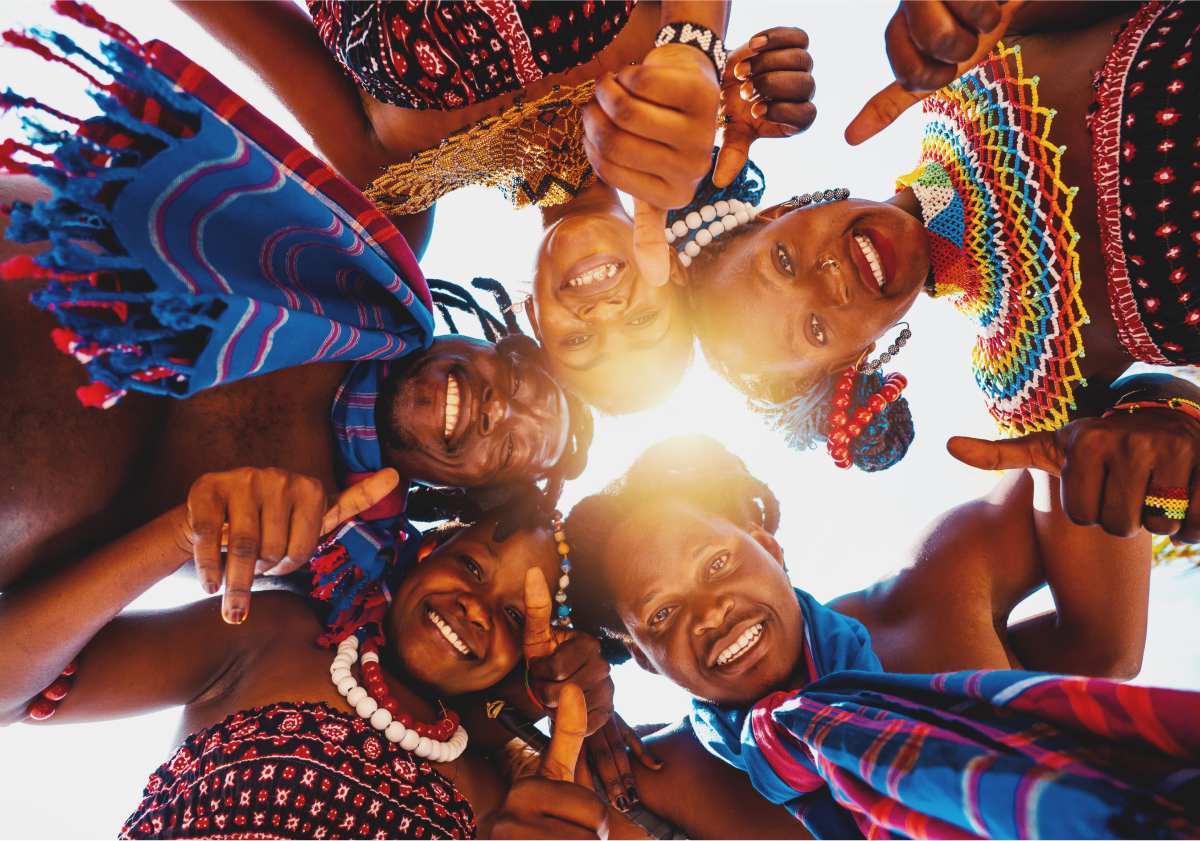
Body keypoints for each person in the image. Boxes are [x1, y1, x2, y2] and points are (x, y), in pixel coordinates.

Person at [0, 18, 590, 638]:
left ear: (467, 491)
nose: (504, 411)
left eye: (513, 449)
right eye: (522, 381)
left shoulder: (335, 564)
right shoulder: (374, 251)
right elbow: (280, 41)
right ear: (483, 340)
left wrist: (185, 538)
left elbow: (17, 685)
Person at [677, 0, 1200, 541]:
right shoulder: (1030, 383)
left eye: (783, 260)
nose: (828, 280)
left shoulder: (970, 66)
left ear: (780, 213)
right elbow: (1165, 448)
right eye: (815, 328)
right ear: (853, 358)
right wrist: (1175, 434)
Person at [162, 0, 818, 412]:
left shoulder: (393, 180)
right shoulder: (673, 63)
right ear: (672, 270)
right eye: (644, 323)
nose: (604, 313)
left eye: (582, 341)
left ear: (531, 316)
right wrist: (695, 50)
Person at [564, 434, 1200, 839]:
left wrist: (1156, 421)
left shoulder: (932, 592)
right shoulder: (650, 778)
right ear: (644, 663)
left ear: (766, 544)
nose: (709, 613)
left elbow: (1077, 453)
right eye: (661, 616)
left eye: (718, 565)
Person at [0, 464, 635, 840]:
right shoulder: (272, 632)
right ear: (419, 555)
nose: (477, 606)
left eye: (516, 616)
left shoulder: (501, 802)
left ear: (528, 656)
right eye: (470, 565)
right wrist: (181, 533)